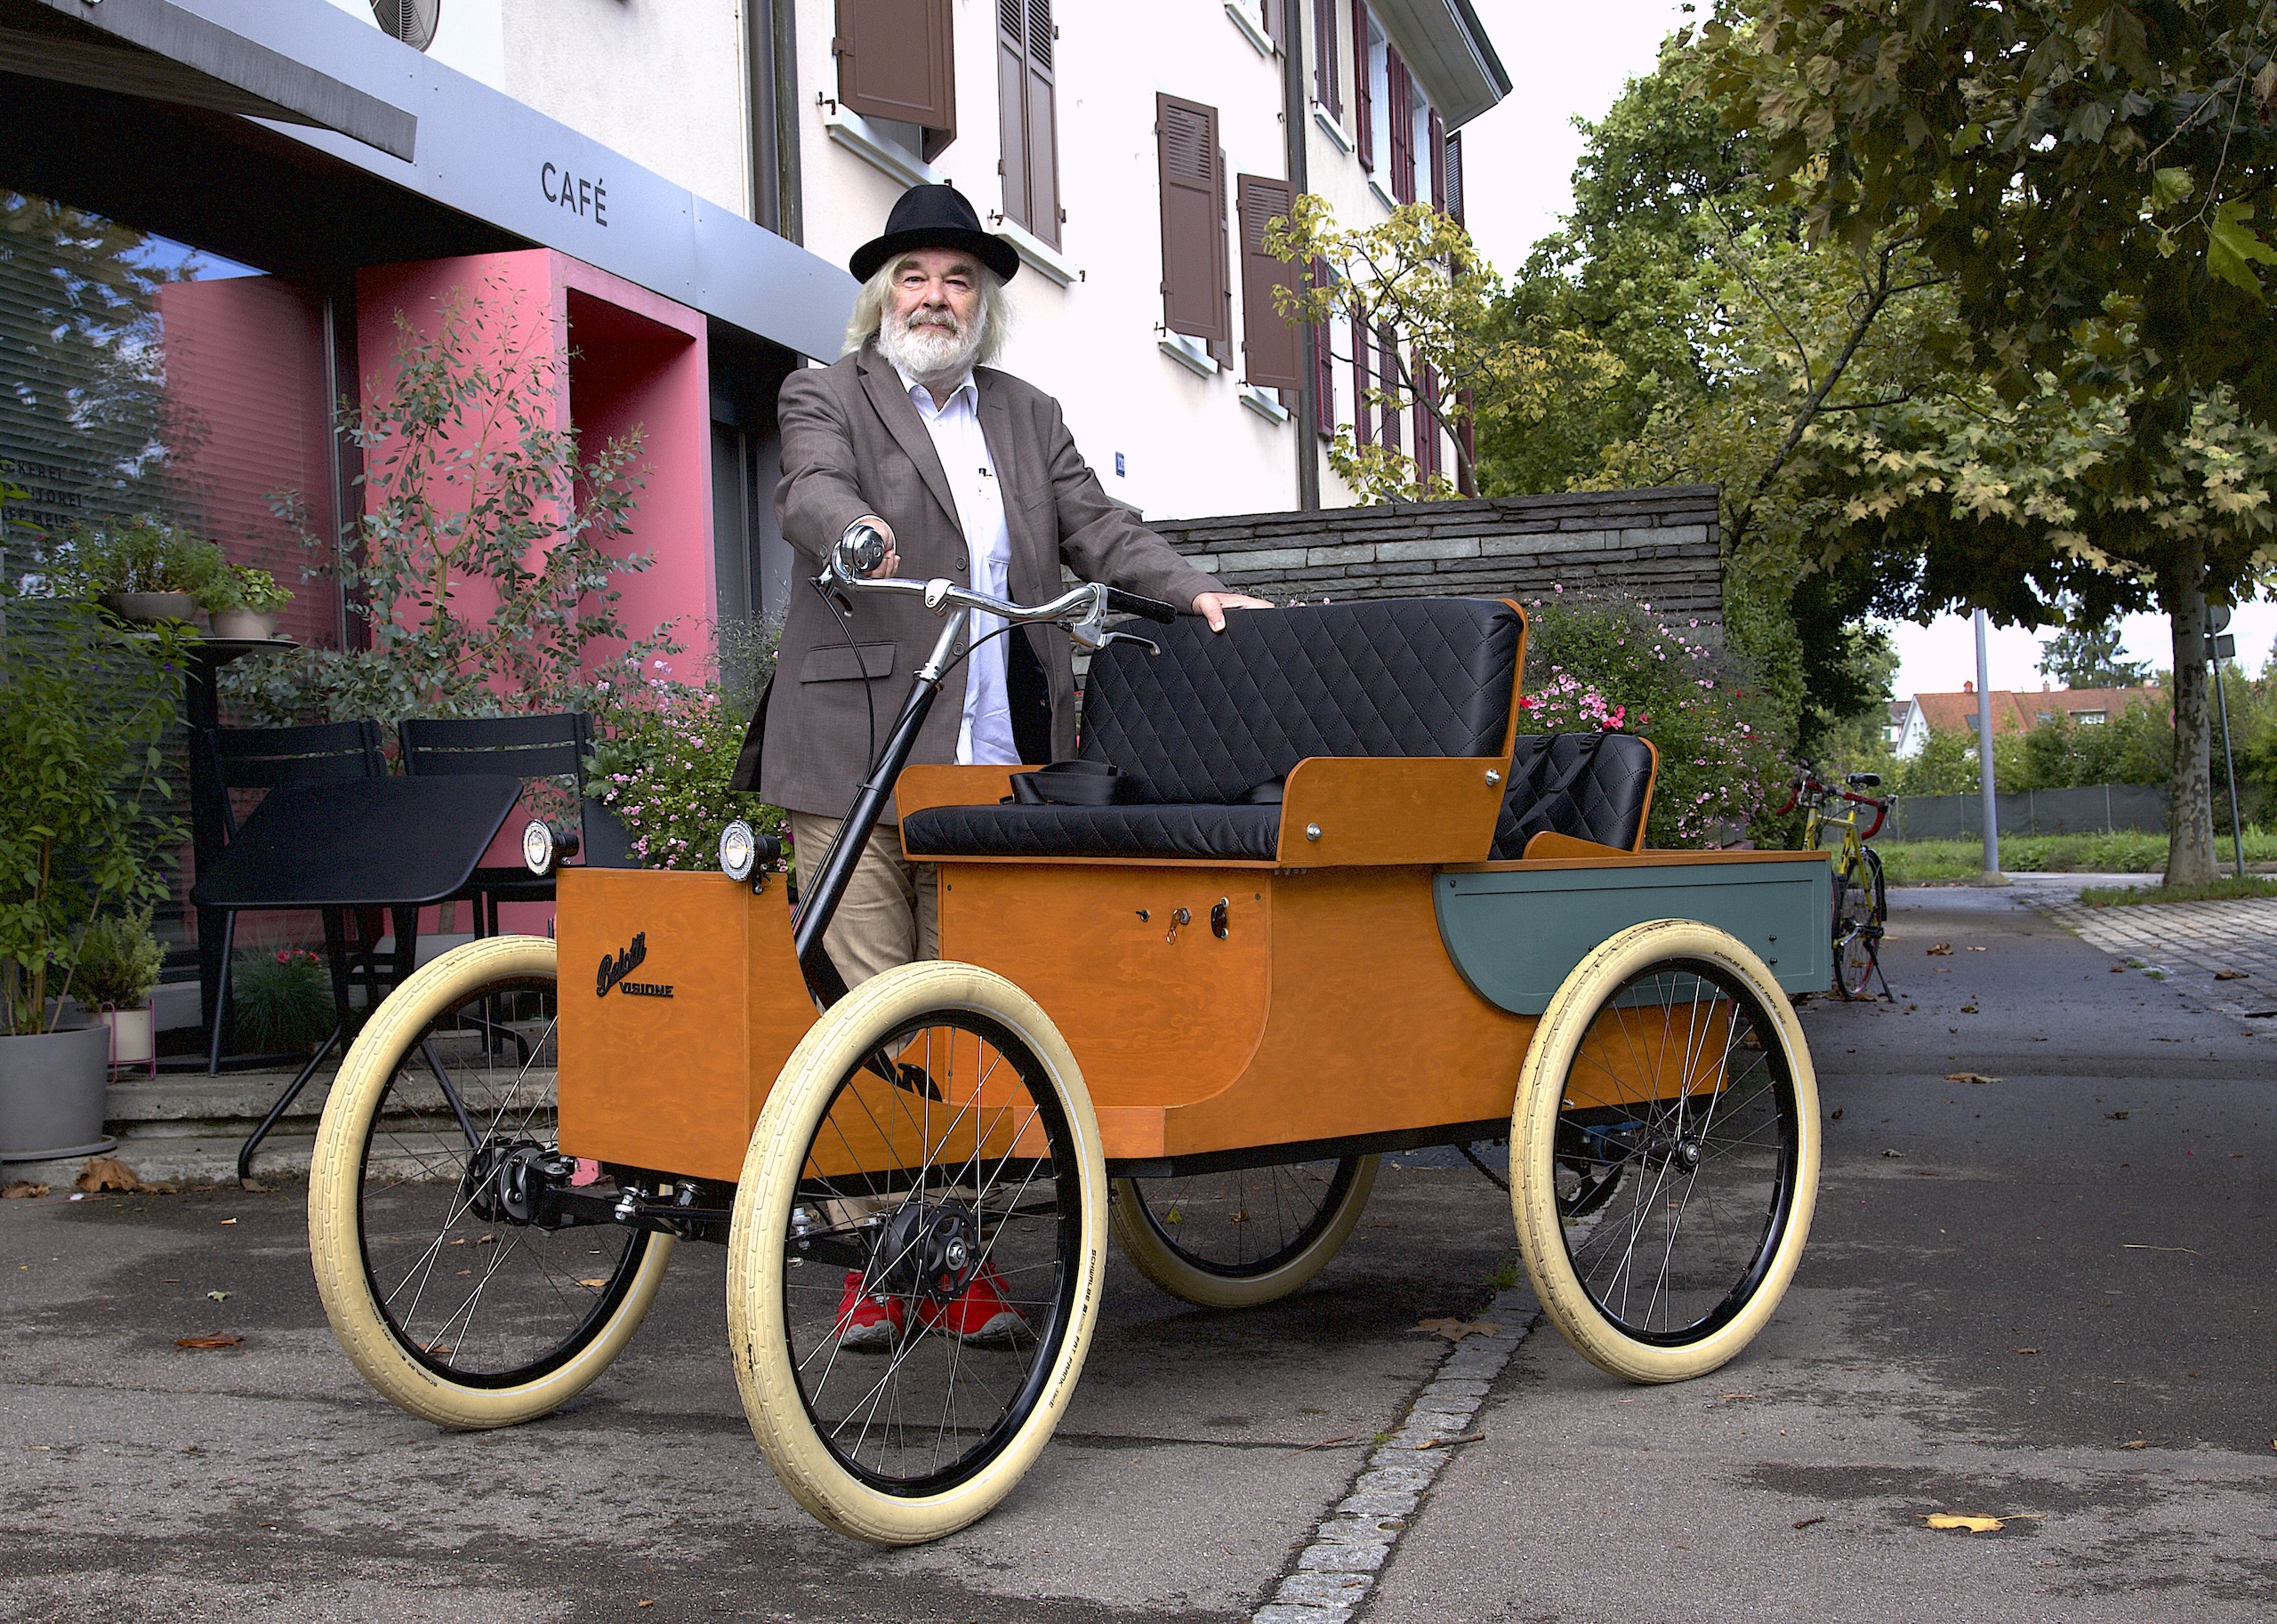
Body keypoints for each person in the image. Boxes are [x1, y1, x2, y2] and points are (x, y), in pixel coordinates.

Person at [729, 181, 1269, 1348]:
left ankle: (958, 1259)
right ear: (883, 296)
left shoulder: (1028, 415)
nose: (936, 295)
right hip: (852, 761)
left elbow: (1100, 531)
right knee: (871, 1024)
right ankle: (885, 1266)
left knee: (975, 1026)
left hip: (999, 770)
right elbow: (807, 488)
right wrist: (854, 535)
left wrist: (1192, 587)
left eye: (959, 279)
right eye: (915, 277)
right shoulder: (826, 391)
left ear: (984, 302)